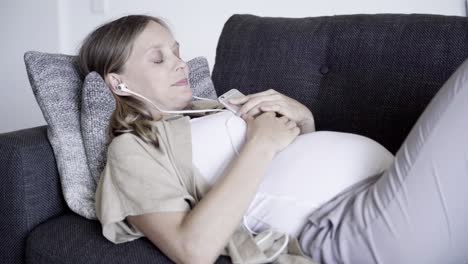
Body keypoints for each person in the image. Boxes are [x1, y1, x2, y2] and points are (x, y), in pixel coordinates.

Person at [77, 14, 468, 264]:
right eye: (158, 57)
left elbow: (288, 174)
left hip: (390, 188)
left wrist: (305, 121)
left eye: (176, 51)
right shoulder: (133, 148)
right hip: (352, 226)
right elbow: (191, 250)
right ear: (118, 81)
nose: (179, 62)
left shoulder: (211, 107)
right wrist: (261, 141)